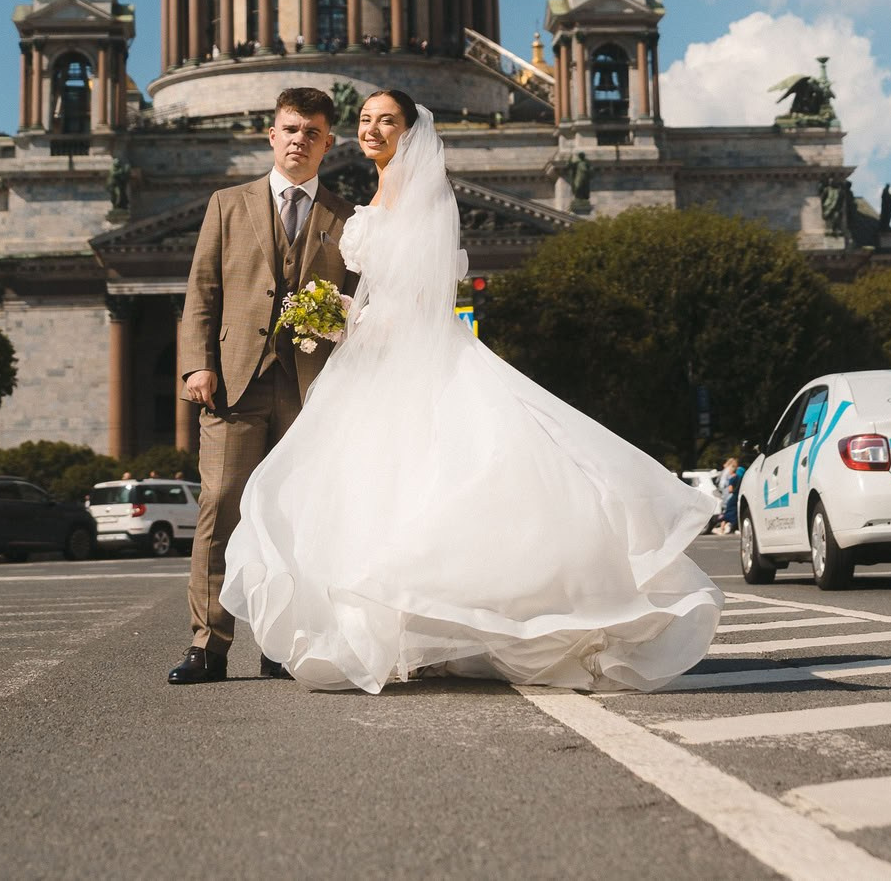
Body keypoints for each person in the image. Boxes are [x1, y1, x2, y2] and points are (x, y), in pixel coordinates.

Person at [222, 90, 721, 692]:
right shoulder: (375, 193)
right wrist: (343, 313)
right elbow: (386, 287)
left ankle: (422, 629)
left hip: (404, 354)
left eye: (388, 121)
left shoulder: (427, 193)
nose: (374, 130)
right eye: (366, 121)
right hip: (375, 357)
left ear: (411, 131)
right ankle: (411, 632)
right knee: (382, 493)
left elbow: (425, 295)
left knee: (417, 489)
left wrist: (345, 319)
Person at [168, 87, 358, 686]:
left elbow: (360, 303)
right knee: (220, 508)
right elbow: (201, 292)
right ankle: (208, 646)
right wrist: (197, 365)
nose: (299, 140)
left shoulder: (346, 219)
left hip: (311, 393)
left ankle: (282, 642)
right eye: (290, 129)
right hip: (235, 386)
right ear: (271, 136)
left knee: (297, 519)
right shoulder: (227, 204)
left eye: (312, 132)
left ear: (328, 144)